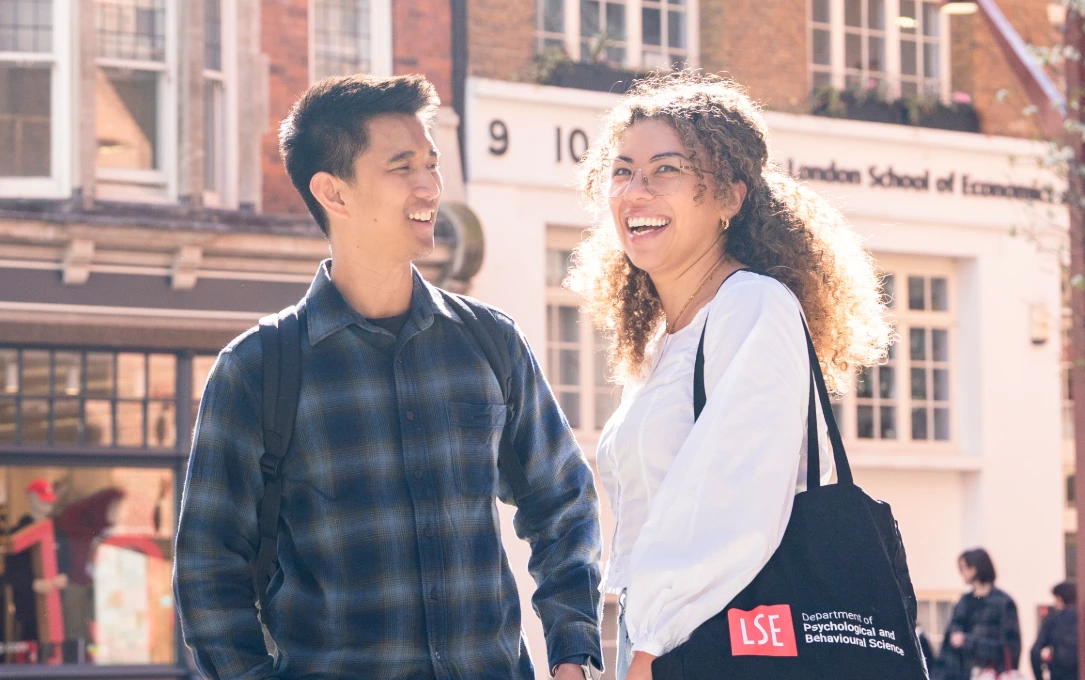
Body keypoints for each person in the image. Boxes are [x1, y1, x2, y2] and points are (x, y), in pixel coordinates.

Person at [173, 74, 603, 680]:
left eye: (431, 163)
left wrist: (573, 654)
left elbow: (562, 502)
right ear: (334, 192)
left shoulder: (490, 342)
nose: (430, 185)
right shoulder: (255, 371)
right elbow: (206, 568)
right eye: (403, 167)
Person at [566, 70, 893, 680]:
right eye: (622, 170)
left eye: (666, 169)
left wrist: (647, 654)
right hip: (669, 643)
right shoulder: (669, 341)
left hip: (702, 649)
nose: (636, 191)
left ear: (728, 197)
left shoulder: (752, 305)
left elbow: (731, 502)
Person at [939, 548, 1021, 680]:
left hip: (990, 674)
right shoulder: (963, 601)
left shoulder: (1003, 603)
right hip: (959, 674)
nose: (961, 573)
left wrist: (967, 642)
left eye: (963, 568)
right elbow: (947, 646)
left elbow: (1011, 648)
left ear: (975, 568)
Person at [1031, 581, 1077, 680]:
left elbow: (1035, 651)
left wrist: (1039, 677)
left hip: (1059, 675)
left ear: (1060, 598)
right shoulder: (1081, 620)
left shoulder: (1052, 621)